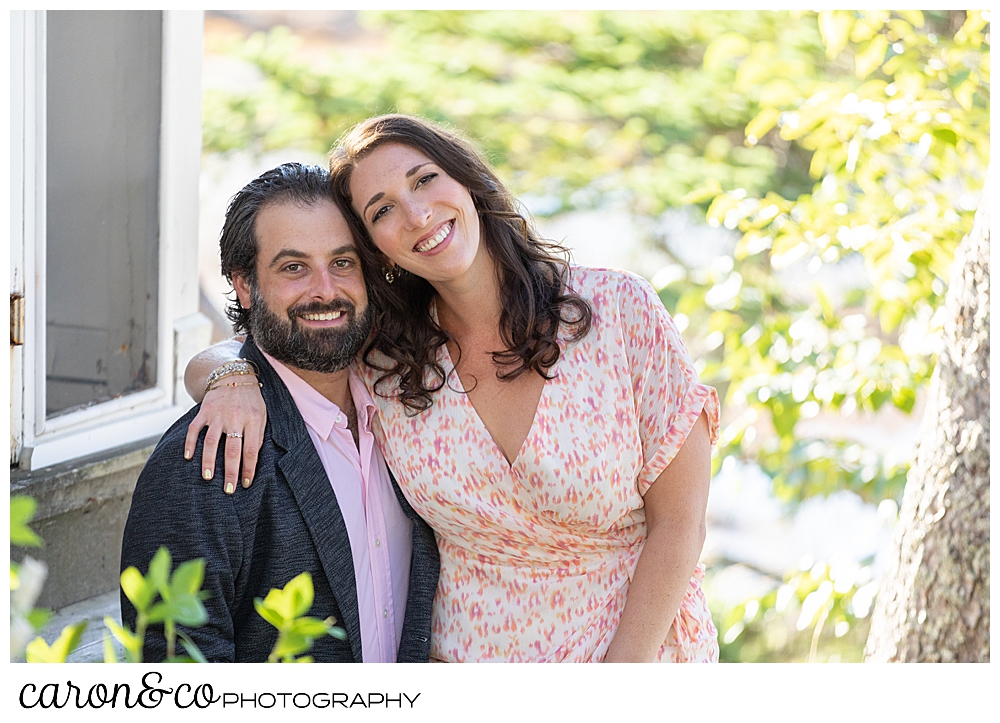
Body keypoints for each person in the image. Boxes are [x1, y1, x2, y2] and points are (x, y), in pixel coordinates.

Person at [185, 115, 720, 663]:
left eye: (424, 180)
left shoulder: (619, 312)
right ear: (376, 248)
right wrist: (232, 378)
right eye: (383, 210)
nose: (417, 215)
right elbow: (248, 354)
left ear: (466, 180)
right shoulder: (384, 359)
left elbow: (680, 525)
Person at [120, 163, 439, 662]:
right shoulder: (203, 461)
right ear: (245, 285)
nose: (325, 291)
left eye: (343, 263)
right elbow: (176, 674)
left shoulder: (407, 406)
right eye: (294, 267)